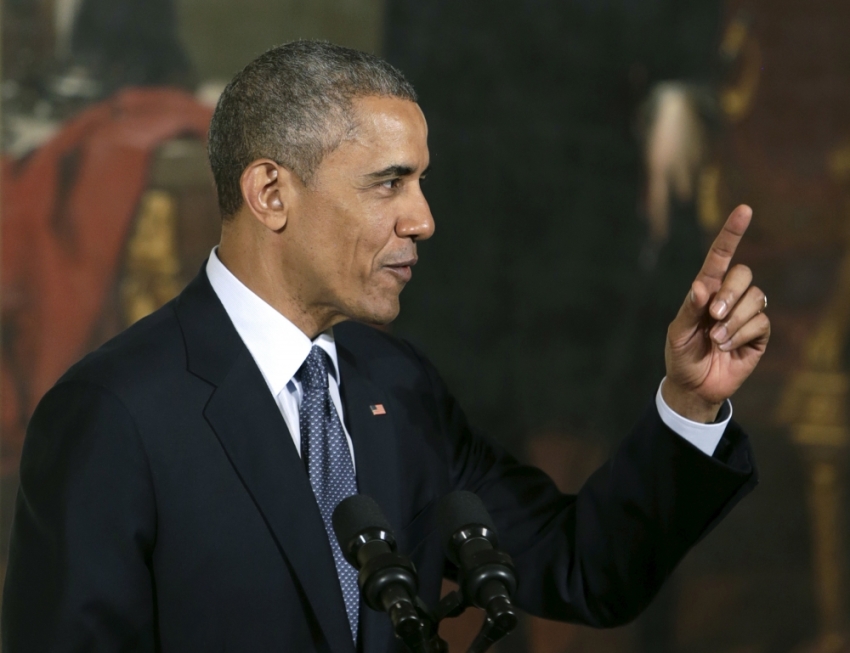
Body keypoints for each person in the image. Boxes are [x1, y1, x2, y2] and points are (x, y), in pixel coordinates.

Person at [2, 41, 769, 653]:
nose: (424, 219)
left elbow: (582, 566)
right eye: (390, 183)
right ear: (271, 193)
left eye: (423, 182)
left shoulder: (398, 385)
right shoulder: (113, 414)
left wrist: (691, 403)